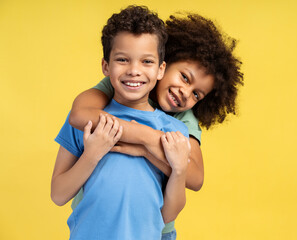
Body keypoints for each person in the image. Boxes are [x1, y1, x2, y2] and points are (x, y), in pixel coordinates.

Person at [69, 12, 244, 240]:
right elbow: (80, 115)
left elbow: (194, 177)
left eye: (197, 94)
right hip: (97, 224)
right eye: (184, 77)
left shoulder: (182, 118)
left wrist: (146, 145)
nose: (185, 93)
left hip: (154, 229)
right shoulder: (126, 83)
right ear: (164, 63)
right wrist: (147, 137)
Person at [51, 5, 191, 239]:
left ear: (160, 69)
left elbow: (167, 216)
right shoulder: (88, 120)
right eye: (123, 60)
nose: (134, 70)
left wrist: (178, 171)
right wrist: (92, 154)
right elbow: (58, 194)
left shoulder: (174, 131)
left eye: (146, 62)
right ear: (106, 66)